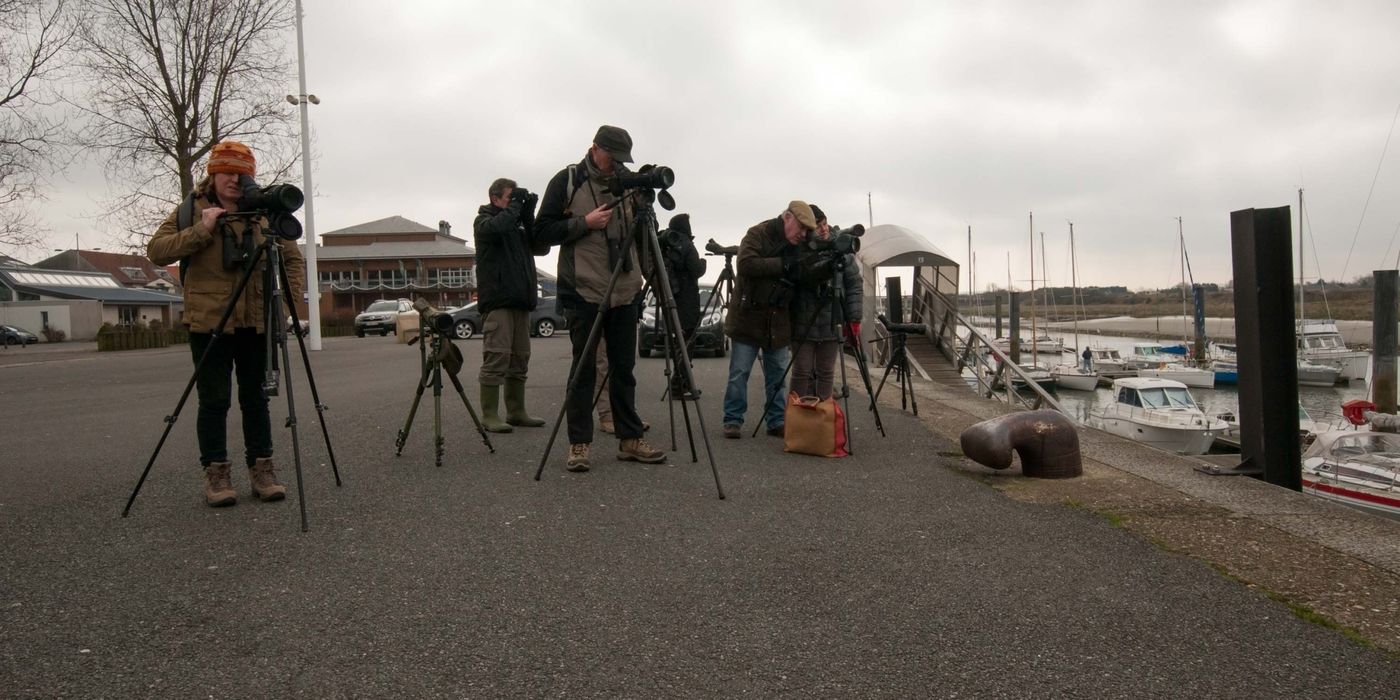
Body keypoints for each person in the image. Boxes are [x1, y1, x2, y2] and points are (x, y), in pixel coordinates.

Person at [147, 140, 305, 507]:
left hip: (257, 320)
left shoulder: (264, 211)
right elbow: (157, 251)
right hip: (209, 322)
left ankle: (262, 470)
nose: (236, 179)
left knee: (257, 400)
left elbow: (293, 260)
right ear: (213, 174)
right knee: (214, 401)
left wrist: (286, 309)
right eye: (228, 172)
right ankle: (216, 474)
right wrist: (203, 230)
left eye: (243, 172)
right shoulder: (191, 210)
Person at [532, 125, 665, 471]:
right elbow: (541, 232)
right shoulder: (568, 180)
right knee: (584, 369)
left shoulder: (628, 182)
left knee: (624, 369)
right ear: (594, 149)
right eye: (612, 157)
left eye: (622, 159)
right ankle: (579, 444)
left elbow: (643, 240)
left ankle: (630, 438)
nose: (616, 165)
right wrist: (584, 223)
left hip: (625, 290)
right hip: (583, 289)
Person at [720, 200, 817, 439]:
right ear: (787, 217)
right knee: (739, 373)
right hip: (748, 316)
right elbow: (745, 264)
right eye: (801, 227)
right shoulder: (758, 234)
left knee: (778, 376)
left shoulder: (801, 245)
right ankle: (732, 419)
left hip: (778, 318)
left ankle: (776, 420)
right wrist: (784, 264)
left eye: (807, 230)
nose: (803, 234)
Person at [473, 177, 547, 433]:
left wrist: (528, 213)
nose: (514, 202)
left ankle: (516, 411)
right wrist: (516, 207)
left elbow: (541, 247)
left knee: (520, 359)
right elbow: (499, 227)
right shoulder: (484, 222)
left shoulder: (516, 226)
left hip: (521, 302)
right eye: (509, 197)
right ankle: (489, 414)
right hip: (499, 302)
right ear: (495, 199)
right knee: (497, 357)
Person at [788, 205, 863, 400]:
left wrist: (853, 320)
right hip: (804, 323)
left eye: (825, 223)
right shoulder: (800, 250)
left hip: (832, 321)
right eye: (818, 226)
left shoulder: (841, 250)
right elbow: (803, 278)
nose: (824, 229)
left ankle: (823, 416)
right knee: (802, 371)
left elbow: (854, 285)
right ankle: (798, 415)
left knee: (826, 372)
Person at [658, 212, 706, 396]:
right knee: (687, 344)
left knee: (679, 343)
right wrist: (703, 262)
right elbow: (696, 270)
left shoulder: (668, 244)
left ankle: (681, 383)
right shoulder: (687, 245)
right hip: (688, 301)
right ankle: (680, 385)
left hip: (673, 299)